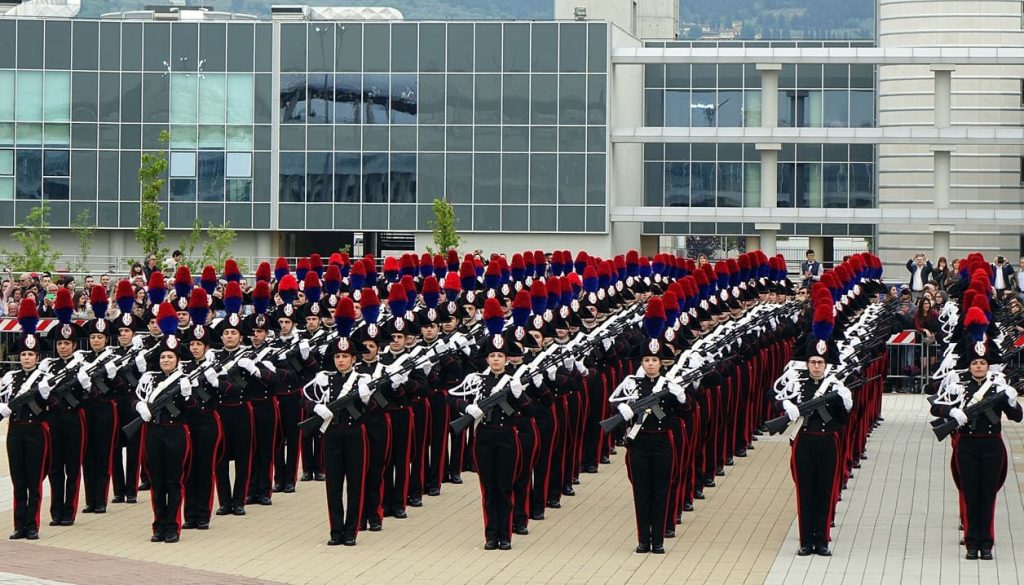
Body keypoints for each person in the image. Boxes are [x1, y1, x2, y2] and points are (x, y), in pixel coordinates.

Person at [932, 307, 1021, 560]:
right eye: (975, 363)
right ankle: (972, 542)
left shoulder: (998, 387)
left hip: (992, 446)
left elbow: (1016, 417)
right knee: (970, 493)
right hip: (967, 445)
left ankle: (987, 543)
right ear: (969, 365)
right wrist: (952, 414)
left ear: (987, 364)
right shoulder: (959, 386)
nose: (979, 366)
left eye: (982, 363)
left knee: (987, 495)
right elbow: (936, 405)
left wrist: (1013, 402)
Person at [609, 298, 687, 555]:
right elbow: (613, 405)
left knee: (661, 491)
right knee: (641, 493)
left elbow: (683, 414)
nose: (651, 364)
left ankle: (659, 540)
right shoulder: (630, 383)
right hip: (639, 444)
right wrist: (624, 410)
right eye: (647, 360)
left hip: (663, 442)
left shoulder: (668, 384)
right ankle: (643, 539)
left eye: (655, 359)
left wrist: (680, 397)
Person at [450, 299, 529, 551]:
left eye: (500, 356)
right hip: (483, 437)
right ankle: (490, 535)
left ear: (507, 358)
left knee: (505, 489)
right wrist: (467, 409)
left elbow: (529, 412)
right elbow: (456, 399)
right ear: (487, 358)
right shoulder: (476, 380)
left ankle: (505, 535)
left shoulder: (513, 381)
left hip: (507, 438)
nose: (496, 360)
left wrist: (519, 396)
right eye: (492, 355)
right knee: (489, 489)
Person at [775, 304, 852, 557]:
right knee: (805, 492)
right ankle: (806, 540)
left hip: (828, 442)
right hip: (804, 442)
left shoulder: (834, 386)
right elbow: (773, 396)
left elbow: (842, 420)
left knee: (825, 491)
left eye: (820, 362)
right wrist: (786, 405)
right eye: (813, 362)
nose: (816, 366)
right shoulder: (797, 383)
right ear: (807, 362)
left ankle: (823, 540)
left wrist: (844, 400)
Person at [132, 302, 193, 543]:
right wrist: (139, 406)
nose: (166, 360)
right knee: (157, 482)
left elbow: (194, 411)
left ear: (178, 359)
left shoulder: (186, 379)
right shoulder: (149, 379)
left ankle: (173, 526)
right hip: (153, 432)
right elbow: (134, 398)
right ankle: (159, 525)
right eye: (163, 357)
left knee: (173, 481)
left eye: (170, 357)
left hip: (176, 433)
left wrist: (188, 395)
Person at [305, 334, 373, 546]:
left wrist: (365, 395)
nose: (341, 360)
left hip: (355, 435)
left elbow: (374, 407)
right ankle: (336, 530)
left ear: (354, 358)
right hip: (332, 435)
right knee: (333, 485)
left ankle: (351, 531)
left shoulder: (363, 379)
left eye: (345, 356)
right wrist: (317, 407)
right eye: (337, 356)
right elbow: (305, 397)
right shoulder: (325, 377)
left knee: (355, 484)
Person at [0, 299, 52, 540]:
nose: (27, 358)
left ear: (37, 356)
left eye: (31, 354)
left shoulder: (44, 378)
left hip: (36, 431)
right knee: (18, 479)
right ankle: (19, 524)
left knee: (34, 480)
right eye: (23, 354)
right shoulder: (10, 377)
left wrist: (44, 394)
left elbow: (53, 406)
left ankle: (32, 524)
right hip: (15, 431)